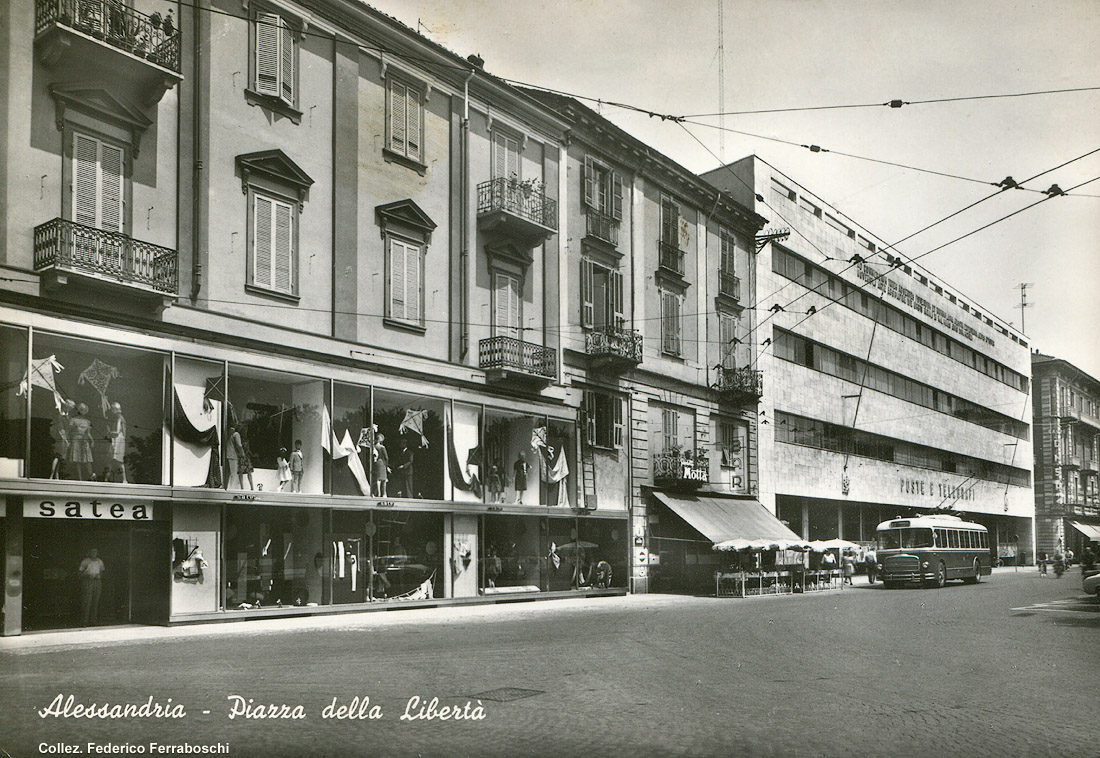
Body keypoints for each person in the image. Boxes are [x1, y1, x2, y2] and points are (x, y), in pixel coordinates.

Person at [67, 402, 95, 481]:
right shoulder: (73, 420)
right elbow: (69, 431)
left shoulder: (87, 421)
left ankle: (91, 476)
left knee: (87, 459)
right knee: (77, 460)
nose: (84, 411)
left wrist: (92, 441)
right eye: (82, 410)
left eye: (85, 410)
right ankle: (80, 478)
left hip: (85, 441)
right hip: (76, 440)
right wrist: (68, 440)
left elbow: (88, 433)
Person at [78, 547, 105, 626]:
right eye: (92, 552)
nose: (94, 553)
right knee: (87, 601)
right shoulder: (85, 561)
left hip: (97, 582)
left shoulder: (100, 561)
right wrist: (87, 575)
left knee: (95, 601)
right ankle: (84, 621)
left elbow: (102, 571)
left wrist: (99, 576)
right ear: (89, 553)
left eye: (95, 552)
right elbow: (79, 573)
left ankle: (93, 621)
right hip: (88, 582)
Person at [107, 401, 127, 483]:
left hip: (118, 440)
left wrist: (109, 432)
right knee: (114, 460)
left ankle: (124, 479)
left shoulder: (118, 418)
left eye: (112, 409)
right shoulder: (122, 418)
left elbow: (117, 431)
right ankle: (107, 478)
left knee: (116, 460)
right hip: (120, 440)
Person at [371, 433, 389, 497]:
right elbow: (386, 457)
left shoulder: (374, 447)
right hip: (382, 462)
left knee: (378, 479)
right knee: (384, 479)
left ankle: (378, 493)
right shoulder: (382, 447)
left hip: (377, 462)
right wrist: (387, 465)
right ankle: (384, 493)